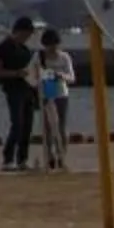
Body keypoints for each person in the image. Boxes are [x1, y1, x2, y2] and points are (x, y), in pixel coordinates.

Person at [0, 17, 39, 171]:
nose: (28, 38)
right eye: (26, 34)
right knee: (17, 124)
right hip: (13, 89)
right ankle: (8, 158)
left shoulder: (25, 50)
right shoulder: (3, 47)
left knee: (28, 125)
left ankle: (22, 159)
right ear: (20, 31)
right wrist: (16, 73)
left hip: (28, 89)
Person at [33, 28, 75, 170]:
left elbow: (72, 77)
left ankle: (61, 155)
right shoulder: (39, 57)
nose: (52, 48)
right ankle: (49, 156)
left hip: (61, 93)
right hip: (45, 93)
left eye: (55, 45)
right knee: (47, 127)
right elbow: (32, 74)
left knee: (61, 126)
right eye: (49, 45)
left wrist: (60, 75)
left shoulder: (64, 57)